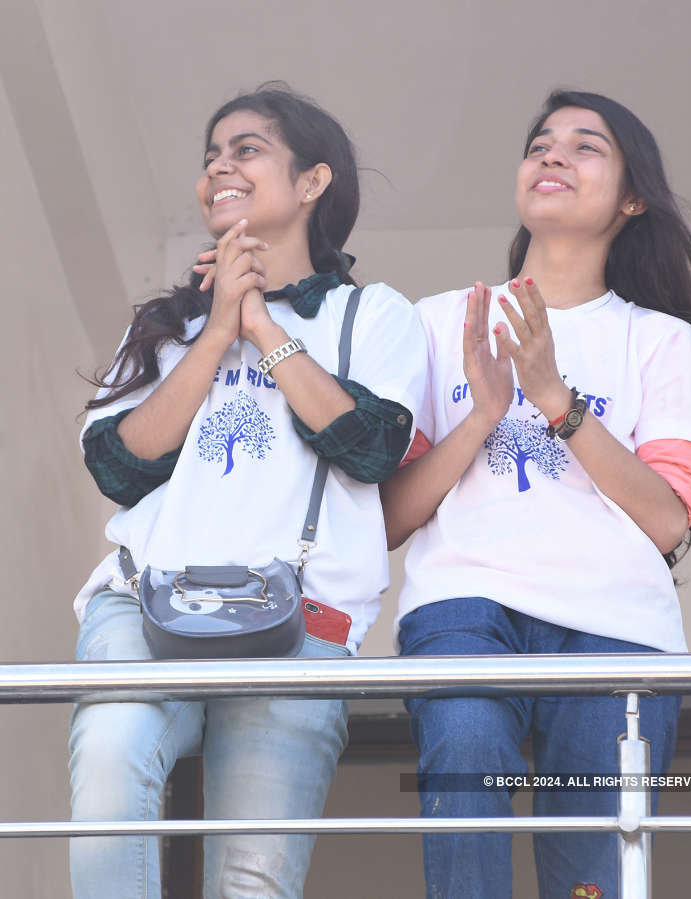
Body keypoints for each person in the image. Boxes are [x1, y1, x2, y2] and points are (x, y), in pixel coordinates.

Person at [69, 83, 425, 899]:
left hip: (302, 619)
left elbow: (367, 445)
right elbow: (120, 465)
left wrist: (263, 325)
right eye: (210, 157)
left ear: (312, 182)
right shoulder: (167, 322)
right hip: (143, 596)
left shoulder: (372, 314)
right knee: (111, 761)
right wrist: (217, 325)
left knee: (252, 877)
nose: (219, 168)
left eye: (246, 149)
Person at [380, 90, 691, 899]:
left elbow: (666, 520)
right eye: (541, 144)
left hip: (616, 629)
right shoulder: (441, 322)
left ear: (631, 198)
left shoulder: (657, 337)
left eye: (585, 147)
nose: (552, 156)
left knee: (592, 875)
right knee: (464, 760)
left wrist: (555, 399)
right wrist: (485, 414)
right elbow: (393, 518)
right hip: (463, 605)